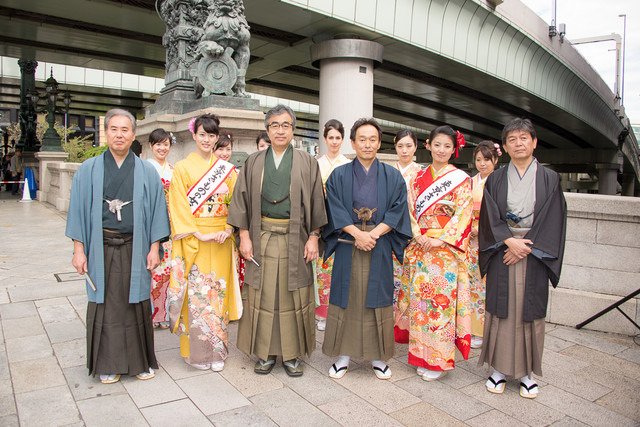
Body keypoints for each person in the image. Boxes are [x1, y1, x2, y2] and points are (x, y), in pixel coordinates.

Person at [66, 108, 170, 384]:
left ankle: (139, 362)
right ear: (106, 132)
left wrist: (154, 247)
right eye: (114, 129)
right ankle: (107, 364)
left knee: (136, 303)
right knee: (106, 304)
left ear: (134, 134)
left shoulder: (146, 171)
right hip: (100, 247)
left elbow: (159, 211)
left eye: (125, 130)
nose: (119, 135)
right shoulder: (88, 170)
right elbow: (76, 211)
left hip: (136, 247)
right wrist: (79, 250)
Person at [228, 104, 326, 377]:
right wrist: (244, 235)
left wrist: (314, 236)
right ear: (267, 130)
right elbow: (242, 201)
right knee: (264, 295)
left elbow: (318, 202)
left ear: (293, 130)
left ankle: (292, 355)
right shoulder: (254, 162)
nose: (280, 130)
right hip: (262, 237)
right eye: (274, 125)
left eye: (285, 125)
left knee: (293, 294)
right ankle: (266, 352)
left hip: (297, 237)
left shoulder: (308, 162)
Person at [478, 118, 566, 399]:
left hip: (534, 252)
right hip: (503, 249)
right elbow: (489, 217)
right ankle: (499, 369)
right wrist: (508, 241)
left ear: (534, 142)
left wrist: (524, 247)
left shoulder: (550, 178)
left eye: (524, 138)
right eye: (512, 139)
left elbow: (554, 217)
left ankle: (528, 372)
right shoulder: (496, 178)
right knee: (501, 309)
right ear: (505, 146)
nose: (518, 143)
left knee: (530, 312)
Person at [322, 118, 411, 380]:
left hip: (379, 242)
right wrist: (357, 233)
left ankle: (377, 356)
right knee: (346, 297)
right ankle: (343, 355)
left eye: (373, 139)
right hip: (349, 243)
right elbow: (334, 209)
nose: (367, 144)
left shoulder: (392, 176)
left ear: (379, 143)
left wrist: (371, 234)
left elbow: (397, 209)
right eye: (362, 139)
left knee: (378, 298)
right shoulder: (339, 175)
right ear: (353, 143)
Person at [397, 125, 473, 381]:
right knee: (420, 304)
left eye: (447, 146)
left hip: (444, 252)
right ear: (428, 145)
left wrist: (440, 238)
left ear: (454, 150)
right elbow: (409, 209)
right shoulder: (417, 179)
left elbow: (464, 214)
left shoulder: (462, 179)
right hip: (421, 248)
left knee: (439, 307)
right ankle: (420, 354)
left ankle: (438, 359)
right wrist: (418, 233)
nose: (441, 150)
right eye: (437, 144)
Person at [168, 113, 242, 372]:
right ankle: (196, 353)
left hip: (221, 238)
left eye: (212, 135)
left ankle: (218, 351)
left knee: (217, 294)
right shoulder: (182, 168)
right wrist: (198, 233)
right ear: (194, 134)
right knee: (198, 295)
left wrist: (229, 227)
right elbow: (177, 205)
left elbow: (237, 203)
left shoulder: (227, 170)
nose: (207, 140)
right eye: (202, 134)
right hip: (195, 240)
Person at [315, 119, 351, 331]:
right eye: (331, 138)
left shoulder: (348, 164)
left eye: (338, 138)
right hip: (322, 220)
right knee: (323, 268)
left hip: (342, 221)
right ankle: (323, 314)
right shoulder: (316, 163)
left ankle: (340, 310)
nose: (335, 141)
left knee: (342, 267)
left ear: (343, 139)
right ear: (325, 138)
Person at [391, 129, 425, 342]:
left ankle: (409, 326)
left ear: (416, 147)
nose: (404, 150)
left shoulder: (422, 173)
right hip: (391, 232)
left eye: (409, 146)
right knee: (391, 278)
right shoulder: (388, 171)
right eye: (400, 146)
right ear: (395, 147)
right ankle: (391, 323)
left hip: (415, 234)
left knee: (412, 281)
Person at [467, 141, 501, 349]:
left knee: (485, 284)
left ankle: (483, 329)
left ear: (495, 160)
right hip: (468, 239)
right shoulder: (470, 182)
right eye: (479, 159)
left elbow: (500, 214)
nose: (482, 164)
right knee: (470, 283)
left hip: (488, 239)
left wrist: (481, 229)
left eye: (487, 159)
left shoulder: (498, 182)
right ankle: (468, 327)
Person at [147, 128, 174, 329]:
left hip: (170, 225)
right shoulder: (144, 168)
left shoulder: (173, 170)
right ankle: (149, 314)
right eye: (158, 144)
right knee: (151, 269)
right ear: (151, 146)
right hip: (150, 222)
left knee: (166, 271)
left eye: (165, 144)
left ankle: (164, 313)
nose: (162, 148)